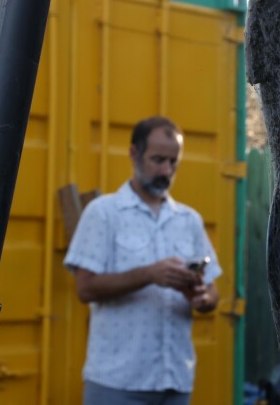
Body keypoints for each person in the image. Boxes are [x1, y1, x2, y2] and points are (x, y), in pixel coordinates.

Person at [64, 116, 222, 405]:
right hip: (117, 384)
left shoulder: (189, 220)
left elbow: (212, 292)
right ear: (133, 153)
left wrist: (202, 297)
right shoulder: (103, 213)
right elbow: (85, 289)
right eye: (158, 159)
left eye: (174, 162)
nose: (166, 170)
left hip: (176, 381)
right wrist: (149, 275)